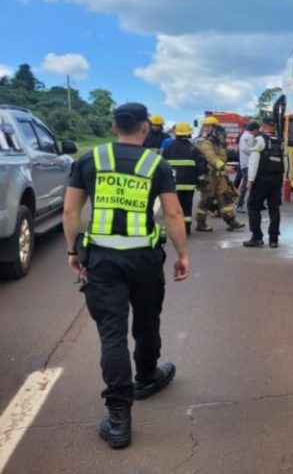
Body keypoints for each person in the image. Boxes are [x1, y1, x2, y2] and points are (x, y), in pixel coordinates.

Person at [62, 102, 190, 449]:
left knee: (112, 334)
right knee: (147, 321)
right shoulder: (156, 164)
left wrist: (73, 251)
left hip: (102, 261)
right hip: (144, 260)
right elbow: (174, 214)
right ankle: (147, 377)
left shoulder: (89, 160)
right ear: (145, 127)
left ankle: (119, 420)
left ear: (114, 126)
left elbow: (71, 210)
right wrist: (182, 255)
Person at [195, 123, 245, 232]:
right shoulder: (206, 144)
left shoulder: (221, 145)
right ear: (214, 134)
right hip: (209, 176)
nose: (222, 137)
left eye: (223, 135)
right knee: (207, 199)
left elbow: (223, 156)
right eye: (220, 135)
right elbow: (211, 158)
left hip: (221, 175)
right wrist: (224, 167)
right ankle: (200, 223)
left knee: (226, 196)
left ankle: (231, 221)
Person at [243, 117, 284, 248]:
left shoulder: (260, 140)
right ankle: (274, 239)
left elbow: (253, 160)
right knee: (274, 208)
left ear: (263, 126)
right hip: (277, 179)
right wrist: (285, 178)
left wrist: (250, 180)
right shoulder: (281, 141)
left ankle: (257, 237)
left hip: (262, 179)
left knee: (253, 206)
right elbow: (286, 161)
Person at [162, 121, 206, 235]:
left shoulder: (168, 148)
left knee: (174, 209)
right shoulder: (194, 149)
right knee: (187, 208)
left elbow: (162, 166)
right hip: (189, 185)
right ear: (189, 134)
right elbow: (201, 167)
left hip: (172, 185)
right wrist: (201, 181)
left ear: (176, 134)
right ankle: (186, 229)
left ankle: (175, 229)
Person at [235, 121, 260, 213]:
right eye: (258, 130)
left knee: (250, 185)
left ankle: (253, 203)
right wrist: (255, 151)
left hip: (248, 164)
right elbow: (244, 149)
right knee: (245, 185)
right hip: (247, 164)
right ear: (255, 129)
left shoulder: (249, 136)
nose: (258, 132)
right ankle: (239, 205)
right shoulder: (246, 136)